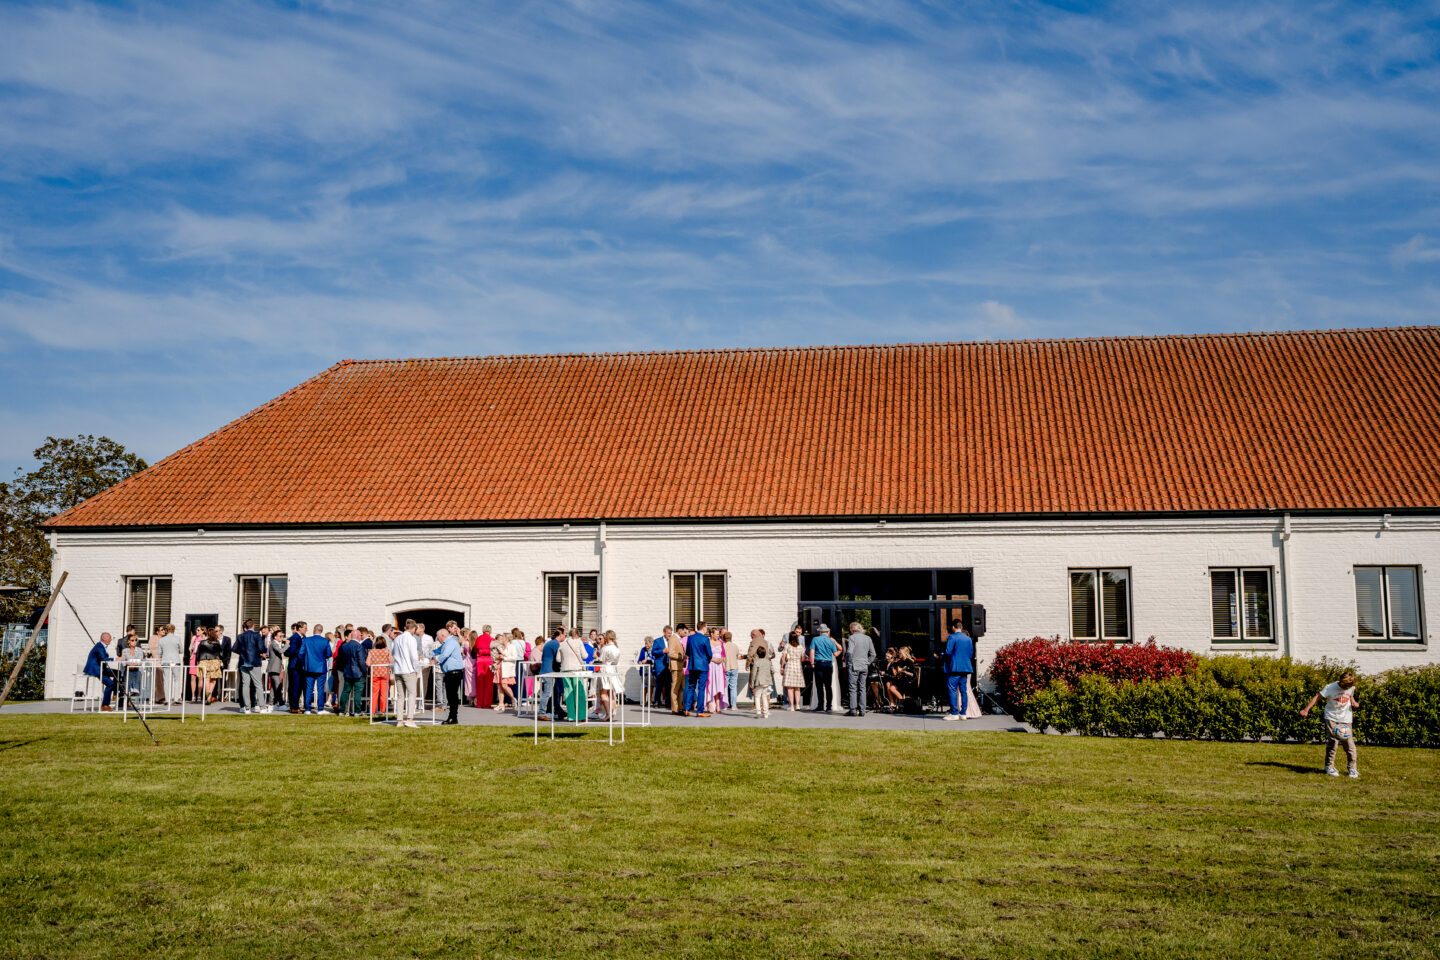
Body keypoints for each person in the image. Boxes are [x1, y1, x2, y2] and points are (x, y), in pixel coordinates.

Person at [1301, 671, 1361, 778]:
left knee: (1350, 745)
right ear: (1342, 683)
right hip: (1331, 717)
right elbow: (1317, 697)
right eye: (1346, 686)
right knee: (1333, 742)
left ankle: (1352, 769)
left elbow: (1350, 695)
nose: (1347, 688)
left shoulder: (1351, 687)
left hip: (1346, 719)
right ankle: (1329, 766)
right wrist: (1306, 709)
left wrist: (1354, 702)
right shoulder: (1330, 687)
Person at [942, 620, 975, 721]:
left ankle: (954, 713)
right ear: (961, 626)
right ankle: (963, 713)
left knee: (952, 689)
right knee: (963, 690)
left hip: (955, 667)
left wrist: (942, 655)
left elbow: (948, 652)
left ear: (953, 627)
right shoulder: (968, 639)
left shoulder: (952, 637)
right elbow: (970, 654)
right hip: (965, 668)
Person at [841, 622, 876, 717]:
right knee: (862, 688)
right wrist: (867, 662)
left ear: (852, 630)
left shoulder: (852, 638)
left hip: (854, 665)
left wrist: (848, 662)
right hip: (864, 666)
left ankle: (853, 710)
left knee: (853, 688)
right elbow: (873, 654)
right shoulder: (868, 638)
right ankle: (862, 710)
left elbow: (849, 652)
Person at [433, 628, 467, 724]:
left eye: (438, 637)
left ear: (443, 636)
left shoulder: (451, 642)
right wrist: (425, 655)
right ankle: (451, 717)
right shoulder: (445, 643)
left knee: (452, 696)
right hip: (450, 673)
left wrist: (436, 661)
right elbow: (437, 651)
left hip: (454, 672)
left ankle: (453, 717)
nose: (437, 639)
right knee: (450, 696)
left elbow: (445, 654)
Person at [234, 619, 267, 714]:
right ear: (253, 626)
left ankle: (246, 708)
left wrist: (243, 653)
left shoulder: (240, 636)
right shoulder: (257, 635)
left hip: (243, 662)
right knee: (258, 685)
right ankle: (262, 707)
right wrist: (261, 652)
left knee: (245, 685)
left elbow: (235, 648)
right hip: (254, 662)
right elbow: (261, 648)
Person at [391, 623, 421, 728]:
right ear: (413, 629)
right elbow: (414, 656)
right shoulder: (411, 639)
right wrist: (416, 669)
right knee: (412, 694)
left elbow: (393, 652)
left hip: (398, 669)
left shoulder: (397, 639)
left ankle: (399, 720)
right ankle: (409, 719)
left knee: (400, 696)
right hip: (408, 669)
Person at [299, 623, 331, 715]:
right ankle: (320, 709)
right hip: (321, 667)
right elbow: (329, 654)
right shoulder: (325, 641)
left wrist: (304, 663)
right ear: (321, 631)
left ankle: (307, 709)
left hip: (309, 667)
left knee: (309, 688)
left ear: (314, 630)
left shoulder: (307, 640)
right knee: (320, 689)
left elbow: (301, 653)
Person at [683, 622, 713, 717]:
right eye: (706, 627)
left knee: (691, 687)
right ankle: (699, 711)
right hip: (703, 666)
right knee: (701, 688)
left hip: (692, 665)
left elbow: (687, 652)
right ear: (703, 628)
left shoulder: (690, 638)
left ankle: (687, 709)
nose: (707, 629)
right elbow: (710, 654)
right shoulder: (705, 639)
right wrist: (707, 661)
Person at [335, 628, 367, 716]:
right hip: (358, 672)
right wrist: (365, 672)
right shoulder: (359, 646)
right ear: (357, 636)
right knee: (358, 692)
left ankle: (342, 710)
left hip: (347, 671)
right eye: (360, 635)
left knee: (345, 691)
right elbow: (361, 661)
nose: (361, 637)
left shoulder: (345, 646)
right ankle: (357, 711)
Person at [559, 628, 588, 721]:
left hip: (565, 669)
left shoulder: (562, 644)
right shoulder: (579, 642)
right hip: (577, 669)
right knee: (579, 692)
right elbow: (585, 656)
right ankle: (581, 715)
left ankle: (571, 715)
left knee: (568, 692)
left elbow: (558, 659)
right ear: (577, 634)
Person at [84, 631, 117, 711]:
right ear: (104, 639)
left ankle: (115, 693)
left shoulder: (102, 646)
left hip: (101, 668)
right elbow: (103, 659)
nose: (111, 640)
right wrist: (115, 659)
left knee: (118, 673)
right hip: (96, 670)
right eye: (110, 638)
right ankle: (105, 705)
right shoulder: (99, 647)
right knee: (110, 684)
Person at [809, 624, 837, 713]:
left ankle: (820, 705)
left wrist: (812, 663)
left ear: (819, 631)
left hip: (819, 664)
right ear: (827, 632)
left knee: (819, 686)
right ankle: (829, 706)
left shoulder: (815, 639)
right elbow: (835, 653)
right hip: (828, 664)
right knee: (828, 686)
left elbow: (812, 651)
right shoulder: (830, 641)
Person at [594, 629, 621, 721]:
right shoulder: (617, 648)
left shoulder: (605, 648)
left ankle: (608, 714)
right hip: (613, 671)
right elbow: (616, 661)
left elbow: (601, 660)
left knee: (603, 694)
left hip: (605, 670)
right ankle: (612, 713)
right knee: (611, 694)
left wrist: (598, 657)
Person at [537, 627, 563, 721]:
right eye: (564, 635)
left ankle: (559, 711)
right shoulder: (555, 644)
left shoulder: (550, 643)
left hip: (548, 670)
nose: (565, 637)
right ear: (560, 635)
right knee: (548, 692)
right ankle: (541, 713)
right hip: (549, 671)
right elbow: (558, 658)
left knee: (555, 692)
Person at [367, 631, 393, 717]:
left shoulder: (371, 652)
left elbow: (367, 663)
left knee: (374, 693)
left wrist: (373, 665)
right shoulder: (387, 651)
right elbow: (392, 661)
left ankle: (373, 711)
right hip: (385, 674)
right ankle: (383, 710)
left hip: (375, 674)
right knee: (384, 693)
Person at [780, 630, 805, 711]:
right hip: (798, 666)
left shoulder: (787, 646)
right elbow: (803, 658)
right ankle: (797, 705)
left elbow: (783, 657)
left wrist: (781, 667)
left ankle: (791, 706)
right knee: (797, 687)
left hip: (789, 665)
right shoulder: (800, 647)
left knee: (790, 688)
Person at [705, 628, 728, 713]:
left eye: (719, 634)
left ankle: (718, 706)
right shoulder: (708, 642)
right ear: (712, 634)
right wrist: (713, 660)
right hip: (711, 665)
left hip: (719, 667)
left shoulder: (720, 643)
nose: (719, 635)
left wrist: (721, 659)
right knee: (711, 685)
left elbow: (723, 654)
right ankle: (710, 705)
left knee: (718, 685)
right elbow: (705, 654)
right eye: (717, 634)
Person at [749, 640, 773, 719]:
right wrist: (769, 676)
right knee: (764, 696)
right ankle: (765, 713)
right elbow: (773, 671)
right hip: (766, 681)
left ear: (758, 654)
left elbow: (753, 674)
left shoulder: (756, 662)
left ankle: (758, 711)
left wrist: (752, 683)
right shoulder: (768, 661)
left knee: (757, 696)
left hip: (759, 682)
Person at [286, 622, 306, 714]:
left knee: (299, 687)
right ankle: (294, 707)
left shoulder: (302, 638)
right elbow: (292, 651)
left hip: (299, 666)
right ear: (300, 628)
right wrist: (304, 650)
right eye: (305, 628)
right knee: (295, 686)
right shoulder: (294, 638)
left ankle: (295, 705)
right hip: (295, 666)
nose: (306, 630)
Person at [666, 625, 687, 716]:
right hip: (675, 667)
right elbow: (671, 653)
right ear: (679, 630)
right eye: (684, 632)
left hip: (680, 667)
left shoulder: (678, 639)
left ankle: (679, 707)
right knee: (675, 688)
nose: (685, 633)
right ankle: (675, 709)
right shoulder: (673, 639)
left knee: (682, 687)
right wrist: (682, 657)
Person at [265, 627, 286, 712]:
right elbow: (280, 651)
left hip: (276, 668)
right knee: (277, 686)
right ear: (275, 637)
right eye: (280, 636)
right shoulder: (274, 643)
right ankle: (281, 704)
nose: (282, 637)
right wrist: (287, 645)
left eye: (282, 636)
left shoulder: (276, 643)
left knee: (274, 687)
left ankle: (271, 704)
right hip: (273, 668)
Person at [474, 629, 495, 709]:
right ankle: (487, 704)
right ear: (490, 631)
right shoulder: (492, 639)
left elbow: (476, 648)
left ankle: (479, 703)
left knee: (480, 683)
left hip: (480, 660)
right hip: (489, 661)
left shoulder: (479, 638)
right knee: (488, 684)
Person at [720, 629, 740, 711]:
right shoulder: (735, 646)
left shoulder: (722, 646)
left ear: (724, 638)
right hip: (734, 668)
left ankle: (724, 705)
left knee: (725, 687)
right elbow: (737, 656)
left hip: (725, 668)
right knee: (733, 687)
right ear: (731, 638)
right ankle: (733, 705)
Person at [649, 632, 669, 707]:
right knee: (659, 684)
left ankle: (667, 702)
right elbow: (653, 652)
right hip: (660, 665)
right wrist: (662, 651)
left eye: (671, 633)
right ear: (664, 633)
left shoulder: (670, 641)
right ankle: (657, 701)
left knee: (668, 684)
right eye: (668, 633)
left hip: (668, 666)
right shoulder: (657, 641)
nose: (670, 635)